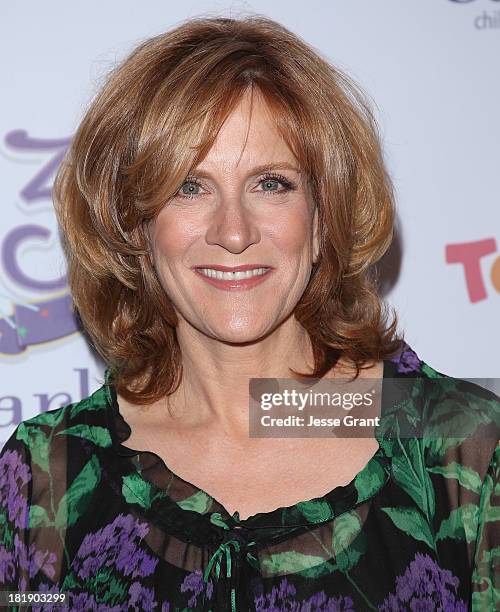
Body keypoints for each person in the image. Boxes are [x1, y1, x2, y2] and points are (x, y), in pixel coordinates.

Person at [0, 14, 498, 612]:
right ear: (133, 226)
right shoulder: (45, 476)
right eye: (189, 186)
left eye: (271, 183)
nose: (233, 232)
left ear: (323, 219)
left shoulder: (460, 448)